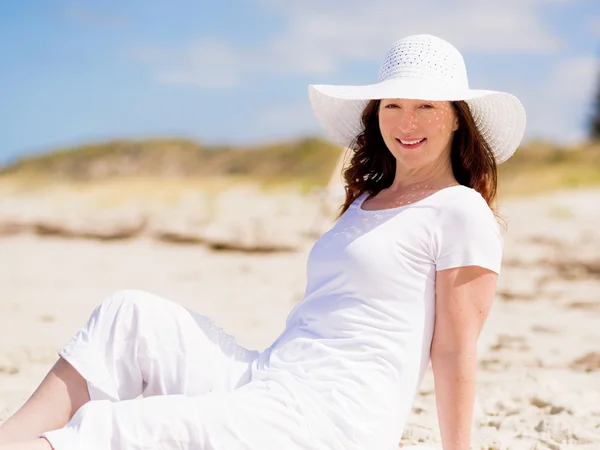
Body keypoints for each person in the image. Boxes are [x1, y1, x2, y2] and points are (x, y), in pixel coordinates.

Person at [0, 34, 526, 450]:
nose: (406, 123)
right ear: (376, 112)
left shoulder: (460, 211)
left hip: (331, 418)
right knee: (128, 316)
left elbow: (456, 349)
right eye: (393, 106)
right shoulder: (366, 201)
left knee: (129, 427)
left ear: (457, 116)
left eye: (426, 107)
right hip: (271, 378)